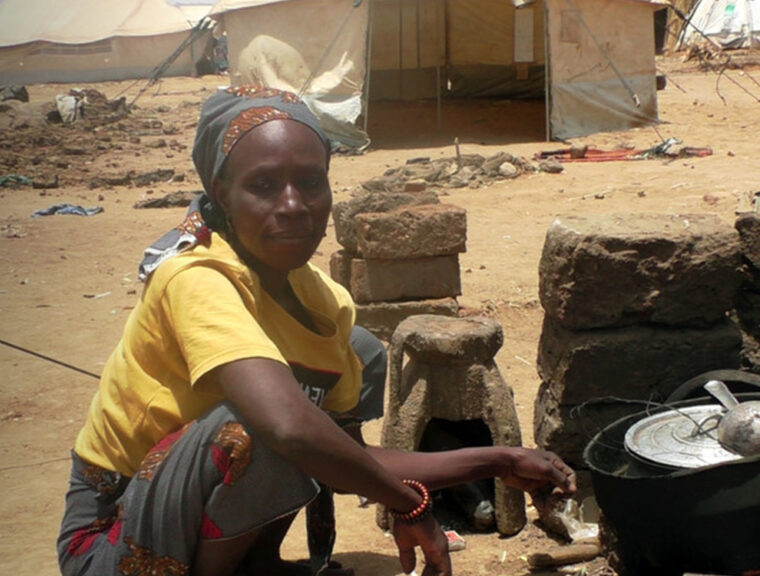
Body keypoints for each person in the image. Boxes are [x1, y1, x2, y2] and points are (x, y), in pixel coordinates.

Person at [57, 85, 576, 576]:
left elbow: (349, 459)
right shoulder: (196, 277)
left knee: (338, 386)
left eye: (309, 182)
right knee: (260, 426)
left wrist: (500, 459)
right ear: (222, 193)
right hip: (111, 540)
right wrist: (408, 503)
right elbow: (287, 428)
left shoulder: (324, 302)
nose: (292, 205)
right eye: (263, 186)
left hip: (195, 526)